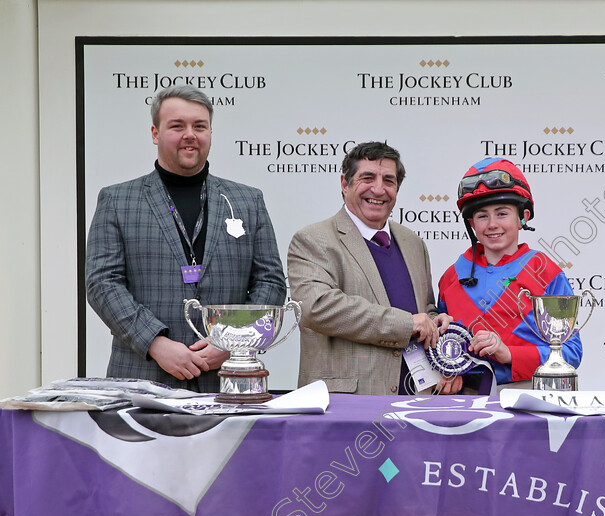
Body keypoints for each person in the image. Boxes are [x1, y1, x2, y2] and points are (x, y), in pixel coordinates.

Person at [85, 85, 286, 391]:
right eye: (177, 126)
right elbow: (102, 283)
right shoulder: (117, 200)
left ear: (210, 133)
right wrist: (155, 343)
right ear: (155, 133)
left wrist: (232, 343)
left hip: (229, 377)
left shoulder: (248, 200)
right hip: (143, 377)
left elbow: (271, 282)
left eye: (199, 126)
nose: (190, 134)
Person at [287, 141, 452, 395]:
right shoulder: (313, 239)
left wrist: (435, 322)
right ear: (345, 183)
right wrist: (406, 323)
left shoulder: (413, 243)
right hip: (346, 405)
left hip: (417, 401)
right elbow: (317, 307)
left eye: (389, 180)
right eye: (367, 177)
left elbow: (423, 311)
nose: (379, 188)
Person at [437, 158, 583, 394]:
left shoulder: (546, 272)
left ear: (523, 217)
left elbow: (571, 352)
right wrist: (445, 371)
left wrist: (510, 355)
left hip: (530, 397)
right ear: (471, 223)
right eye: (482, 216)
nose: (492, 224)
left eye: (502, 213)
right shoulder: (451, 277)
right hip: (466, 403)